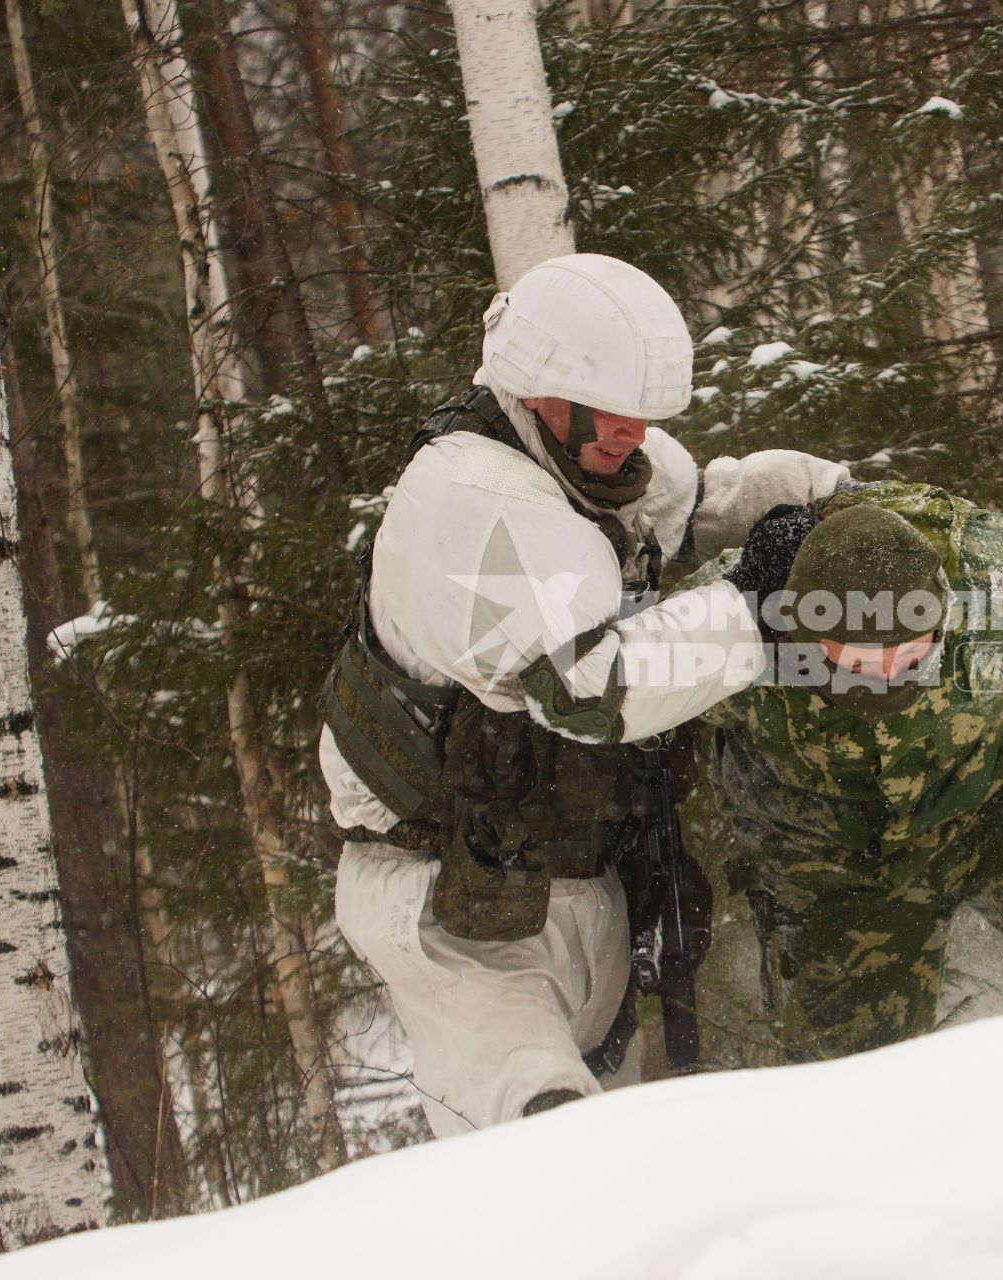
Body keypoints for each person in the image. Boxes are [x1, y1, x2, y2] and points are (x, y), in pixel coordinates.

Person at [319, 253, 848, 1131]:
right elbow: (587, 689)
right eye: (607, 411)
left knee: (645, 1141)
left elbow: (690, 506)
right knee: (537, 1135)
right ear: (536, 389)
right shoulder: (474, 502)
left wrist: (819, 499)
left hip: (572, 871)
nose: (629, 432)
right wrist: (752, 608)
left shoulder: (586, 452)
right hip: (456, 914)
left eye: (643, 414)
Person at [688, 482, 1003, 1061]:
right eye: (862, 660)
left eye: (912, 652)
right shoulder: (723, 622)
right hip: (827, 860)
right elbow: (610, 693)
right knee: (848, 1086)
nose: (891, 674)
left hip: (999, 807)